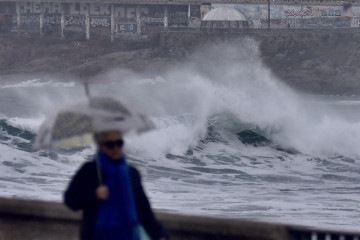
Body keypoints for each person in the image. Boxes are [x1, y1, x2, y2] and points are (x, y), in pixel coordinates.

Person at [64, 130, 168, 240]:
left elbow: (144, 211)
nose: (116, 148)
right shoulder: (90, 171)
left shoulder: (131, 174)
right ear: (100, 146)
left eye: (119, 143)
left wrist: (159, 235)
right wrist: (94, 194)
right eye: (110, 144)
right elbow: (70, 199)